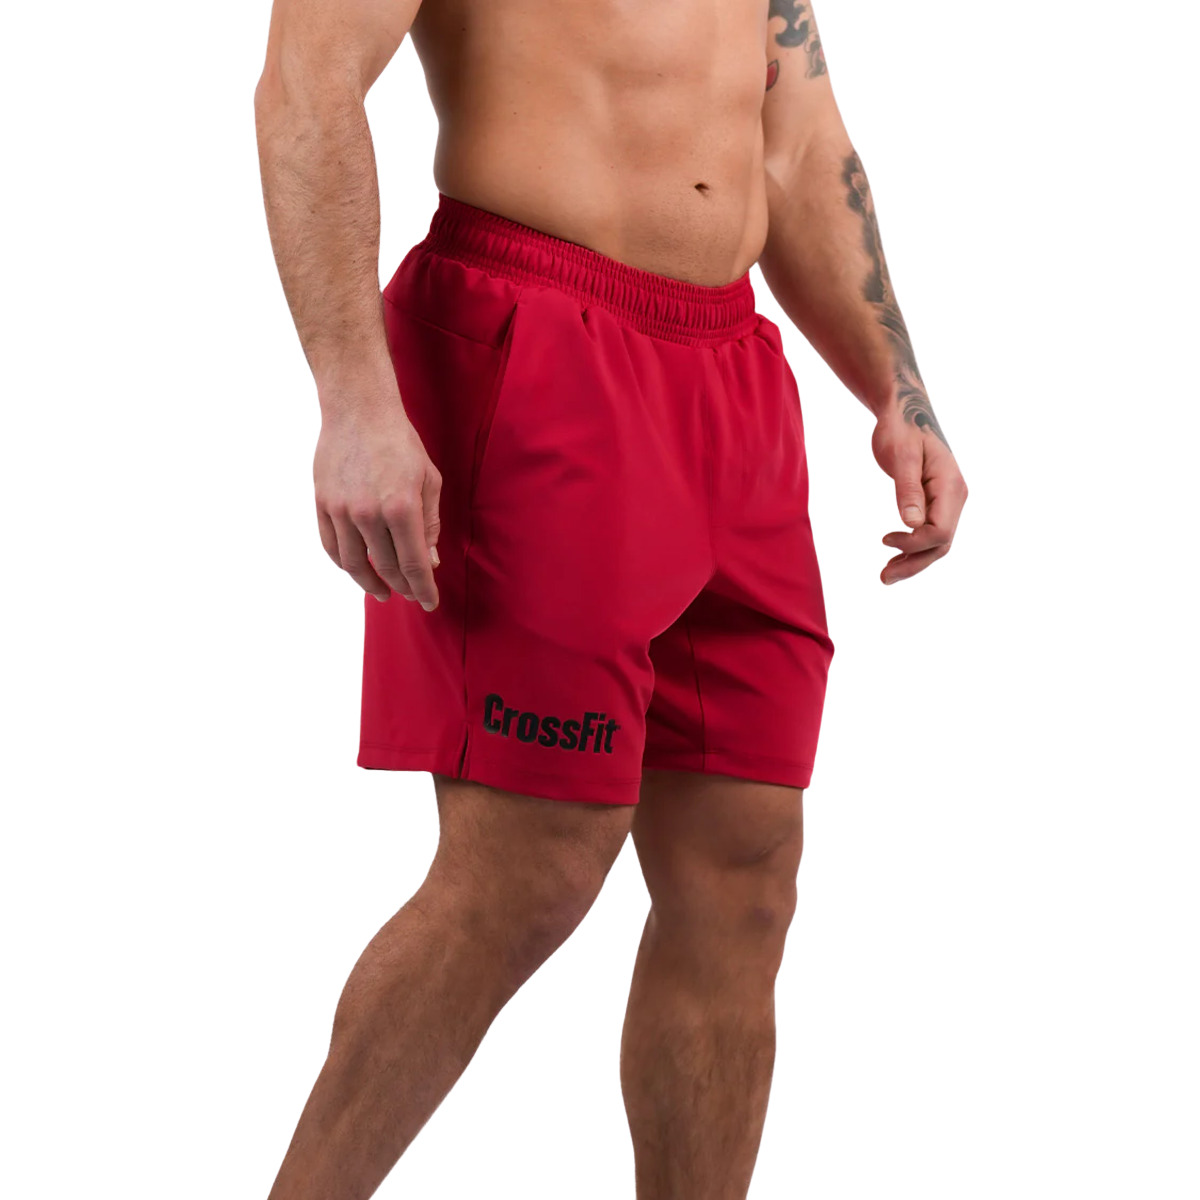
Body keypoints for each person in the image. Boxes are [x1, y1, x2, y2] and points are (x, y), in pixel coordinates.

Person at [254, 0, 968, 1193]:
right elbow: (307, 84)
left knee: (745, 867)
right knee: (527, 865)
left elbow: (798, 145)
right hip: (536, 336)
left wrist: (899, 392)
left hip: (730, 375)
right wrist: (355, 399)